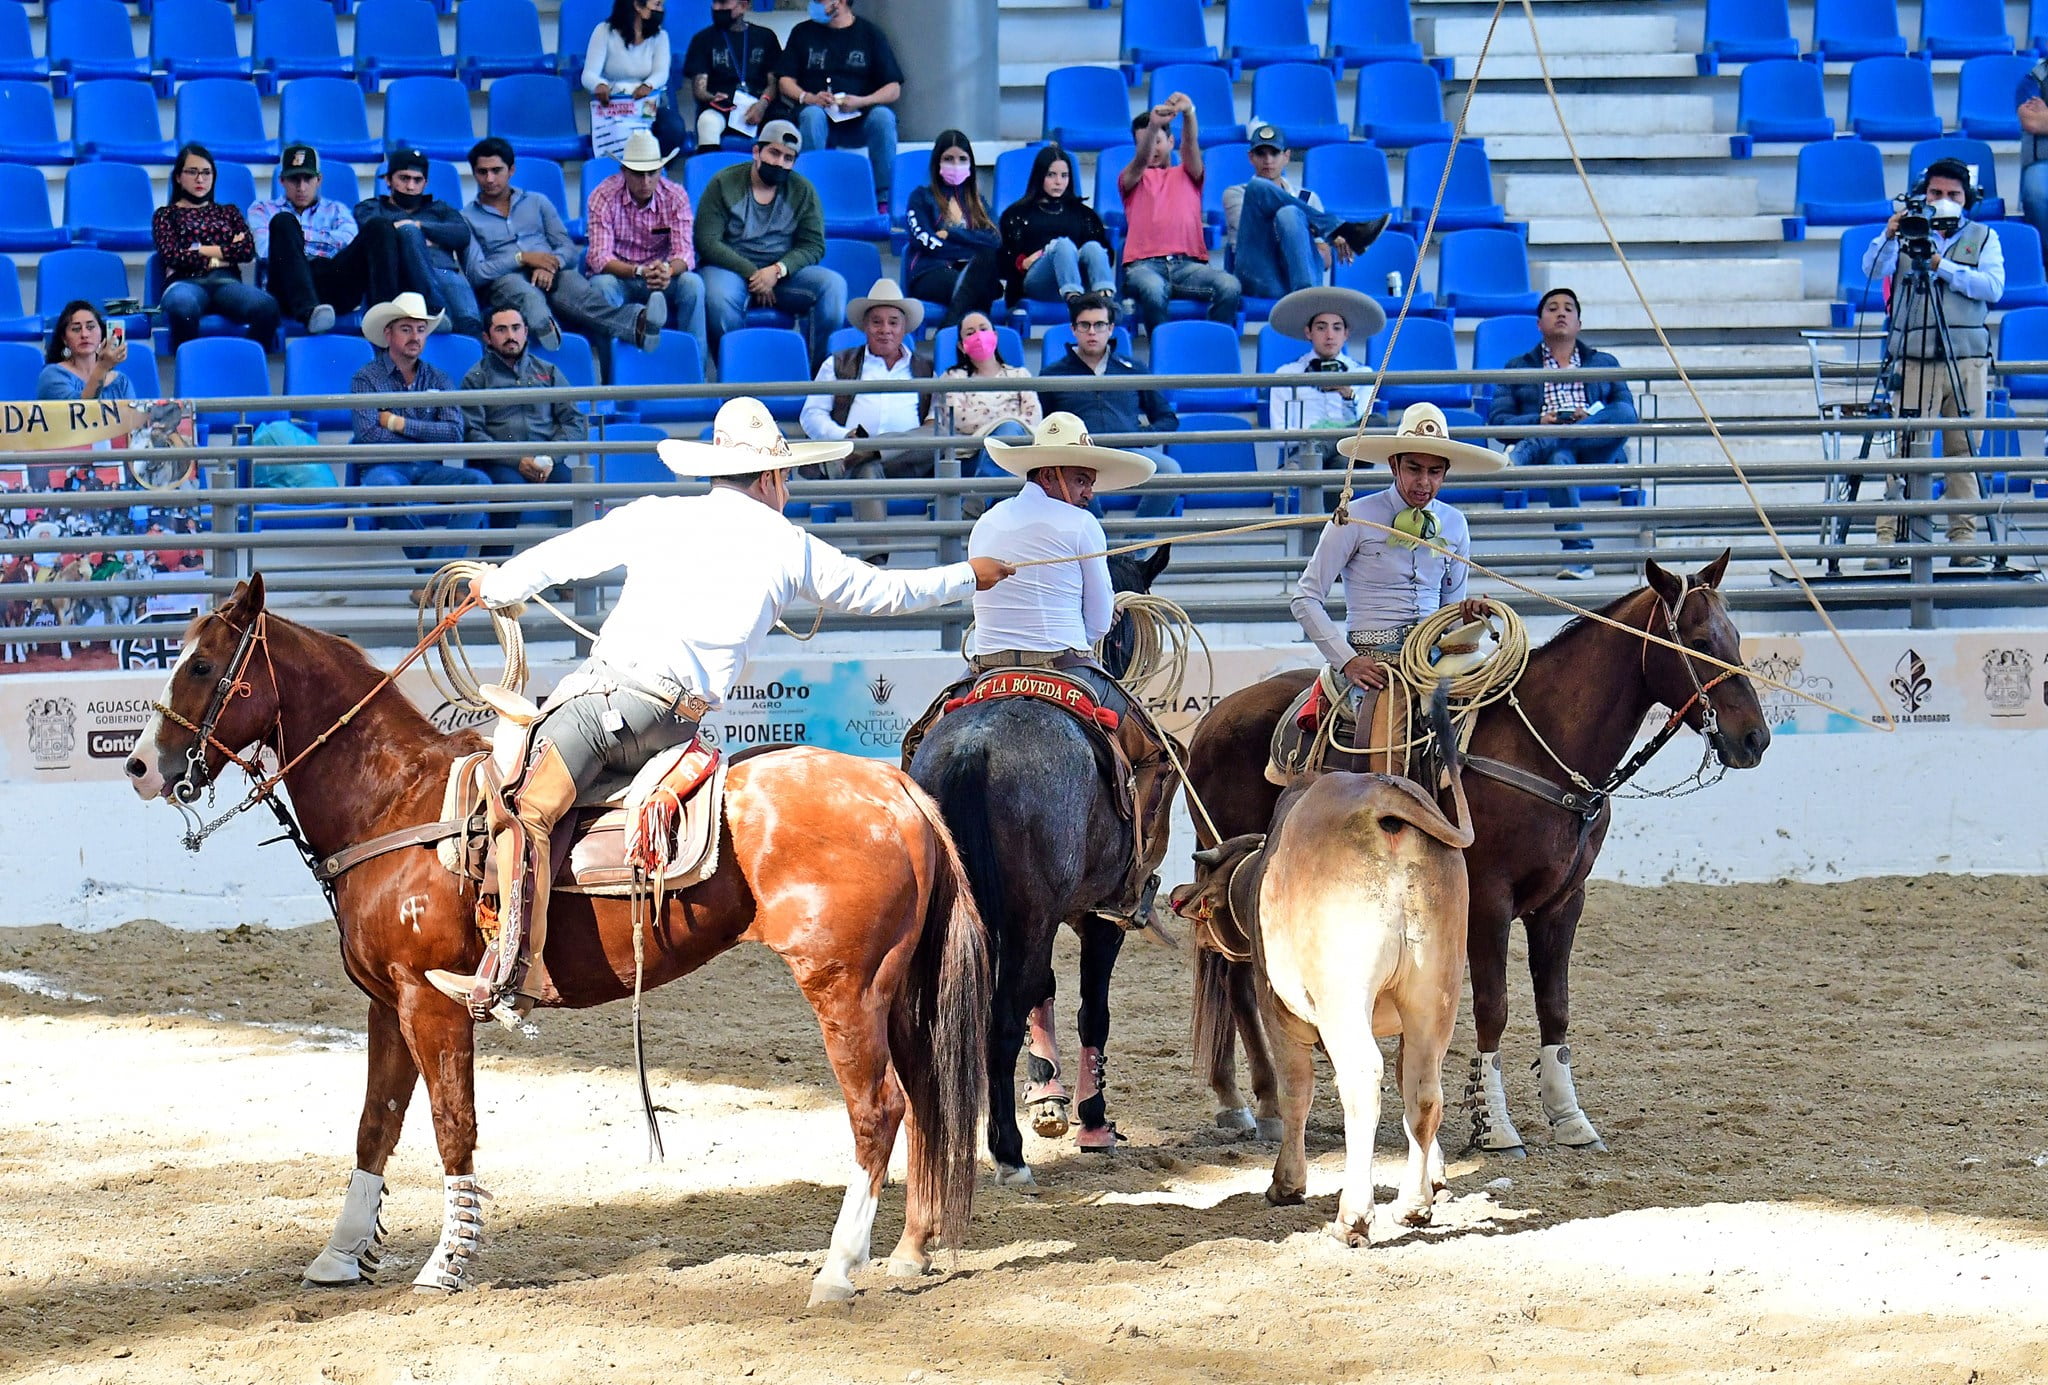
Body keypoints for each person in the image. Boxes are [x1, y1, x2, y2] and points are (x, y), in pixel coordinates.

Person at [423, 395, 1015, 1028]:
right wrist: (967, 575)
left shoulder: (657, 515)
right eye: (784, 476)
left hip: (609, 706)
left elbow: (557, 560)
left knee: (522, 807)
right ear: (768, 478)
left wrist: (496, 585)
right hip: (677, 726)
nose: (785, 487)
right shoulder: (792, 547)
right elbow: (887, 592)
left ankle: (512, 969)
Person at [1272, 401, 1499, 781]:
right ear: (1394, 465)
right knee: (1388, 753)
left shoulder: (1455, 524)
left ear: (1445, 474)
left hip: (1431, 657)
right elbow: (1305, 597)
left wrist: (1466, 615)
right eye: (1414, 469)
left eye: (1434, 471)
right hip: (1373, 661)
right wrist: (1348, 661)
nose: (1423, 482)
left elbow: (1450, 603)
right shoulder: (1354, 517)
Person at [1859, 158, 2005, 569]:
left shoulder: (1985, 236)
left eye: (1953, 195)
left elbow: (1992, 287)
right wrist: (1888, 235)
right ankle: (1891, 541)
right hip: (1914, 360)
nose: (1943, 201)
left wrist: (1943, 267)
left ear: (1967, 199)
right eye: (1936, 193)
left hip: (1967, 361)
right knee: (1904, 452)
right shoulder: (1904, 235)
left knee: (1964, 455)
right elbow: (1870, 269)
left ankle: (1965, 544)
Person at [1486, 287, 1640, 580]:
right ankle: (1579, 556)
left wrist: (1590, 418)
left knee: (1625, 414)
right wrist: (1540, 420)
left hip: (1597, 447)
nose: (1561, 313)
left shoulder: (1604, 363)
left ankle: (1533, 448)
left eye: (1569, 308)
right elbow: (1499, 421)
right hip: (1559, 451)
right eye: (1553, 308)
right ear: (1539, 323)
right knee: (1558, 460)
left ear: (1579, 324)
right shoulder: (1518, 366)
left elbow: (1625, 411)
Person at [465, 138, 662, 355]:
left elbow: (567, 249)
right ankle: (545, 327)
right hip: (505, 279)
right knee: (528, 295)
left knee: (580, 294)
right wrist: (521, 258)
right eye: (482, 172)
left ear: (511, 170)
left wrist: (551, 264)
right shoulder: (467, 217)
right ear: (474, 173)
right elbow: (476, 272)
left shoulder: (538, 202)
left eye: (496, 170)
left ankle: (639, 322)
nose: (489, 179)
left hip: (552, 271)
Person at [350, 293, 491, 564]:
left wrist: (396, 422)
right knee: (387, 488)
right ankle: (438, 573)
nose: (415, 336)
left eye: (421, 329)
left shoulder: (439, 377)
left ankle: (429, 576)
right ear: (388, 334)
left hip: (429, 469)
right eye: (406, 329)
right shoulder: (365, 378)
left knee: (480, 484)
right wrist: (427, 432)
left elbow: (453, 433)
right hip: (385, 467)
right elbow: (369, 435)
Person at [694, 119, 847, 364]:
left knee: (833, 286)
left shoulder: (803, 191)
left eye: (788, 158)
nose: (779, 163)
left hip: (782, 273)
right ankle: (736, 370)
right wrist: (756, 275)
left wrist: (777, 271)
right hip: (731, 269)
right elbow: (707, 241)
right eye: (774, 153)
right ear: (757, 151)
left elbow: (814, 245)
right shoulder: (724, 183)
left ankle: (820, 375)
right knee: (718, 298)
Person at [799, 277, 934, 533]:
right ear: (865, 326)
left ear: (904, 328)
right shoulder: (838, 362)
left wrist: (867, 447)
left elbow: (935, 422)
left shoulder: (927, 367)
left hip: (908, 465)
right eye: (877, 322)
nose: (885, 329)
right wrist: (845, 437)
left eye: (893, 322)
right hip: (850, 458)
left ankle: (867, 451)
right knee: (867, 467)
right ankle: (876, 560)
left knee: (936, 433)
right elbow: (812, 415)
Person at [1037, 293, 1184, 520]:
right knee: (1070, 484)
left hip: (1127, 452)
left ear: (1111, 328)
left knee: (1171, 471)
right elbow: (1044, 425)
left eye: (1099, 325)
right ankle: (1103, 550)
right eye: (1085, 325)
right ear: (1073, 329)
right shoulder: (1052, 375)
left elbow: (1167, 418)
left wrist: (1139, 436)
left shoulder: (1133, 369)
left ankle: (1133, 549)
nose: (1092, 332)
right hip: (1080, 456)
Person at [460, 305, 587, 549]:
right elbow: (472, 433)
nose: (511, 336)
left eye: (516, 328)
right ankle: (494, 576)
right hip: (501, 464)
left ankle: (569, 579)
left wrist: (550, 456)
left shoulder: (548, 372)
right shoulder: (476, 378)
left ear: (526, 332)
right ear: (487, 337)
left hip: (547, 461)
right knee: (508, 490)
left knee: (578, 491)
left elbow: (573, 421)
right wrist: (517, 460)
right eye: (501, 329)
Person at [584, 129, 710, 361]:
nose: (645, 181)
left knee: (693, 285)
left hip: (663, 275)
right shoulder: (602, 195)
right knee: (602, 286)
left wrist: (668, 271)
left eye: (651, 173)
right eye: (637, 174)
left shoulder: (675, 195)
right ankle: (612, 379)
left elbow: (685, 252)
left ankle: (696, 376)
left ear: (661, 170)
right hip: (622, 277)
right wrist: (639, 271)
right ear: (623, 171)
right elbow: (599, 256)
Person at [1118, 96, 1240, 335]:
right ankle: (1164, 361)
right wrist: (1153, 127)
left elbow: (1190, 145)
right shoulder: (1130, 177)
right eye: (1144, 142)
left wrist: (1189, 113)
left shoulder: (1188, 173)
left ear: (1171, 141)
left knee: (1230, 285)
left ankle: (1210, 349)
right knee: (1153, 289)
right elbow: (1142, 159)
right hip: (1145, 267)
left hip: (1189, 266)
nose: (1152, 148)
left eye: (1158, 141)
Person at [1224, 122, 1387, 299]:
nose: (1268, 160)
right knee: (1259, 189)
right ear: (1251, 157)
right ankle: (1342, 230)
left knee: (1290, 214)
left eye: (1274, 153)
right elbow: (1251, 236)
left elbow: (1325, 261)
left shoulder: (1308, 198)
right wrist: (1305, 230)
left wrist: (1298, 232)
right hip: (1261, 278)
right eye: (1261, 153)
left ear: (1286, 156)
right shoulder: (1236, 193)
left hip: (1299, 277)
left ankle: (1304, 298)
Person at [1266, 285, 1386, 508]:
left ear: (1346, 333)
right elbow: (1279, 435)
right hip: (1310, 453)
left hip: (1352, 453)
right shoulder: (1286, 374)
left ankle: (1318, 451)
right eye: (1321, 328)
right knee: (1340, 462)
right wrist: (1310, 441)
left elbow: (1365, 429)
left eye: (1337, 328)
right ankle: (1332, 529)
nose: (1330, 335)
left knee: (1378, 422)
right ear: (1308, 332)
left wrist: (1348, 395)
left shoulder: (1362, 375)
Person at [152, 143, 282, 349]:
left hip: (225, 282)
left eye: (206, 173)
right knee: (182, 308)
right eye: (192, 172)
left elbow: (247, 251)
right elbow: (173, 256)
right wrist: (224, 253)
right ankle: (189, 372)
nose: (200, 179)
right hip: (185, 283)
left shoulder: (228, 212)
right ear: (178, 177)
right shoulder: (165, 215)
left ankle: (245, 367)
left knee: (267, 306)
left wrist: (199, 250)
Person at [775, 0, 902, 206]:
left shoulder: (870, 34)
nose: (814, 4)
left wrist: (862, 101)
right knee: (811, 114)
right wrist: (808, 97)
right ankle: (811, 195)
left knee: (884, 117)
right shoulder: (802, 32)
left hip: (858, 118)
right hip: (818, 118)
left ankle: (883, 199)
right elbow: (785, 81)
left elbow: (893, 88)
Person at [248, 144, 374, 336]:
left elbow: (348, 241)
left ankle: (385, 318)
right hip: (287, 289)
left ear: (319, 180)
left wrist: (296, 240)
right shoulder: (262, 209)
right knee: (283, 223)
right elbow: (266, 249)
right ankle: (309, 312)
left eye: (307, 179)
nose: (301, 187)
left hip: (330, 281)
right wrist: (319, 240)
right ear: (282, 180)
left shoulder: (337, 209)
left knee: (377, 228)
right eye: (294, 180)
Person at [355, 148, 480, 338]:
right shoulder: (371, 208)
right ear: (388, 180)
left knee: (470, 324)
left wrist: (418, 225)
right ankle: (435, 309)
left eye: (417, 180)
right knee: (409, 232)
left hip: (441, 269)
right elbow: (376, 234)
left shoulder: (439, 208)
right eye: (404, 178)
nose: (411, 186)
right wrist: (416, 235)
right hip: (399, 277)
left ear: (426, 183)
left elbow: (461, 235)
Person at [903, 131, 1004, 329]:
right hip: (930, 272)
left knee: (985, 265)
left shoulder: (978, 202)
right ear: (937, 163)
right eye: (948, 159)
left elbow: (995, 240)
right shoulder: (921, 197)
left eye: (962, 159)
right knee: (983, 288)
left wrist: (952, 234)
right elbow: (925, 242)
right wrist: (971, 246)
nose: (956, 164)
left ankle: (947, 333)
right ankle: (969, 342)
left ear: (970, 164)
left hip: (970, 270)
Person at [998, 145, 1116, 312]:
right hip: (1039, 282)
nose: (1058, 182)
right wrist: (1022, 262)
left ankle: (1106, 303)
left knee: (1093, 247)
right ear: (1039, 176)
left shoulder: (1084, 214)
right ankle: (1074, 302)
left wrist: (1079, 255)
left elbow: (1106, 256)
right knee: (1063, 245)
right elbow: (1002, 261)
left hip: (1081, 280)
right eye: (1051, 175)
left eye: (1064, 175)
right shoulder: (1017, 214)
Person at [938, 309, 1042, 482]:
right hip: (972, 455)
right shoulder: (953, 377)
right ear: (961, 345)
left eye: (983, 329)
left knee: (1009, 433)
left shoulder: (1019, 375)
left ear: (994, 335)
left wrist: (996, 422)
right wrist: (1007, 422)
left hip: (1019, 454)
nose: (979, 336)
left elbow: (1034, 417)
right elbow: (959, 419)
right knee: (1008, 430)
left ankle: (976, 504)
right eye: (970, 333)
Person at [581, 0, 689, 160]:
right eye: (657, 5)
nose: (661, 10)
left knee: (674, 128)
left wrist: (648, 85)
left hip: (647, 105)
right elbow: (588, 74)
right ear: (638, 6)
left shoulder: (660, 36)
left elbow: (661, 73)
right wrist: (599, 85)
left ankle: (654, 174)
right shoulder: (603, 31)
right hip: (613, 107)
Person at [680, 0, 781, 153]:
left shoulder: (766, 37)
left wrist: (762, 104)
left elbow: (773, 83)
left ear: (743, 6)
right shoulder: (702, 39)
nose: (716, 8)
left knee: (784, 129)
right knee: (707, 122)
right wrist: (711, 97)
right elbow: (699, 89)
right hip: (722, 107)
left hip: (762, 105)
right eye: (715, 3)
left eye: (723, 3)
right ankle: (710, 174)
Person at [37, 302, 136, 402]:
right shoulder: (52, 375)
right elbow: (78, 412)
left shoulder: (121, 382)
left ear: (101, 333)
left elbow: (133, 416)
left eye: (91, 327)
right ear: (64, 339)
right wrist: (103, 367)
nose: (84, 334)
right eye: (76, 329)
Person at [2017, 59, 2048, 270]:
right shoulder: (2034, 78)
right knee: (2036, 190)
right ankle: (2044, 262)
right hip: (2043, 163)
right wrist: (2041, 119)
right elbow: (2032, 122)